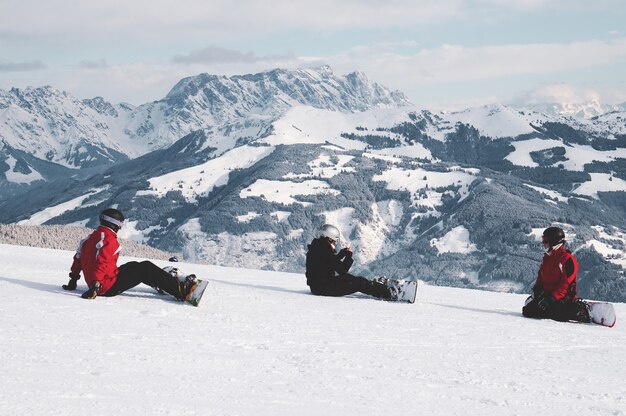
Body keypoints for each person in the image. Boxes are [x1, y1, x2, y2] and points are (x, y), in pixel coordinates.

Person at [62, 208, 198, 301]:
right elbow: (101, 263)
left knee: (134, 266)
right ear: (114, 224)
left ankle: (162, 283)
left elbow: (78, 259)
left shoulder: (89, 238)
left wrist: (73, 280)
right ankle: (183, 291)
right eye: (120, 224)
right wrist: (95, 287)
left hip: (101, 281)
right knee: (146, 268)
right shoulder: (109, 241)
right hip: (105, 286)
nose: (121, 227)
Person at [305, 224, 394, 300]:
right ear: (330, 238)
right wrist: (348, 256)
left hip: (317, 286)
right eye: (334, 241)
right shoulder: (324, 250)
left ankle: (377, 286)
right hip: (324, 288)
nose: (335, 243)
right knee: (359, 283)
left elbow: (328, 263)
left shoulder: (317, 247)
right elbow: (342, 270)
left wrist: (341, 254)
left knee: (349, 278)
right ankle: (389, 293)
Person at [522, 226, 590, 323]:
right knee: (528, 311)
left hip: (563, 298)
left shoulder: (568, 259)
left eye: (545, 241)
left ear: (554, 241)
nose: (543, 244)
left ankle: (579, 310)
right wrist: (537, 291)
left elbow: (565, 284)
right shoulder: (547, 258)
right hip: (547, 296)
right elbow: (541, 276)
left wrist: (552, 298)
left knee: (555, 314)